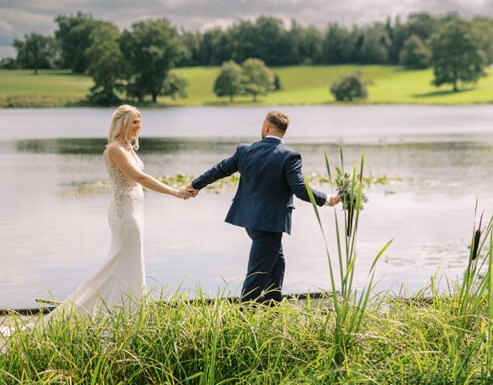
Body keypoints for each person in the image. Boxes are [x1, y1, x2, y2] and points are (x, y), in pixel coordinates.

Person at [51, 105, 194, 317]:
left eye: (140, 121)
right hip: (124, 213)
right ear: (123, 123)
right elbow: (140, 178)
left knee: (132, 259)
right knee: (123, 259)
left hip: (136, 211)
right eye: (134, 121)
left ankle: (129, 310)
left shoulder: (128, 147)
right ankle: (99, 310)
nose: (139, 125)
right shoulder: (115, 149)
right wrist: (174, 192)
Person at [188, 110, 341, 304]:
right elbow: (300, 189)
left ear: (266, 127)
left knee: (276, 265)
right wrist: (327, 199)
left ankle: (272, 309)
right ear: (284, 131)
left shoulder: (245, 150)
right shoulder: (290, 156)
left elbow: (220, 170)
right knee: (258, 272)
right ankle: (243, 319)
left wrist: (195, 185)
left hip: (250, 220)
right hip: (270, 223)